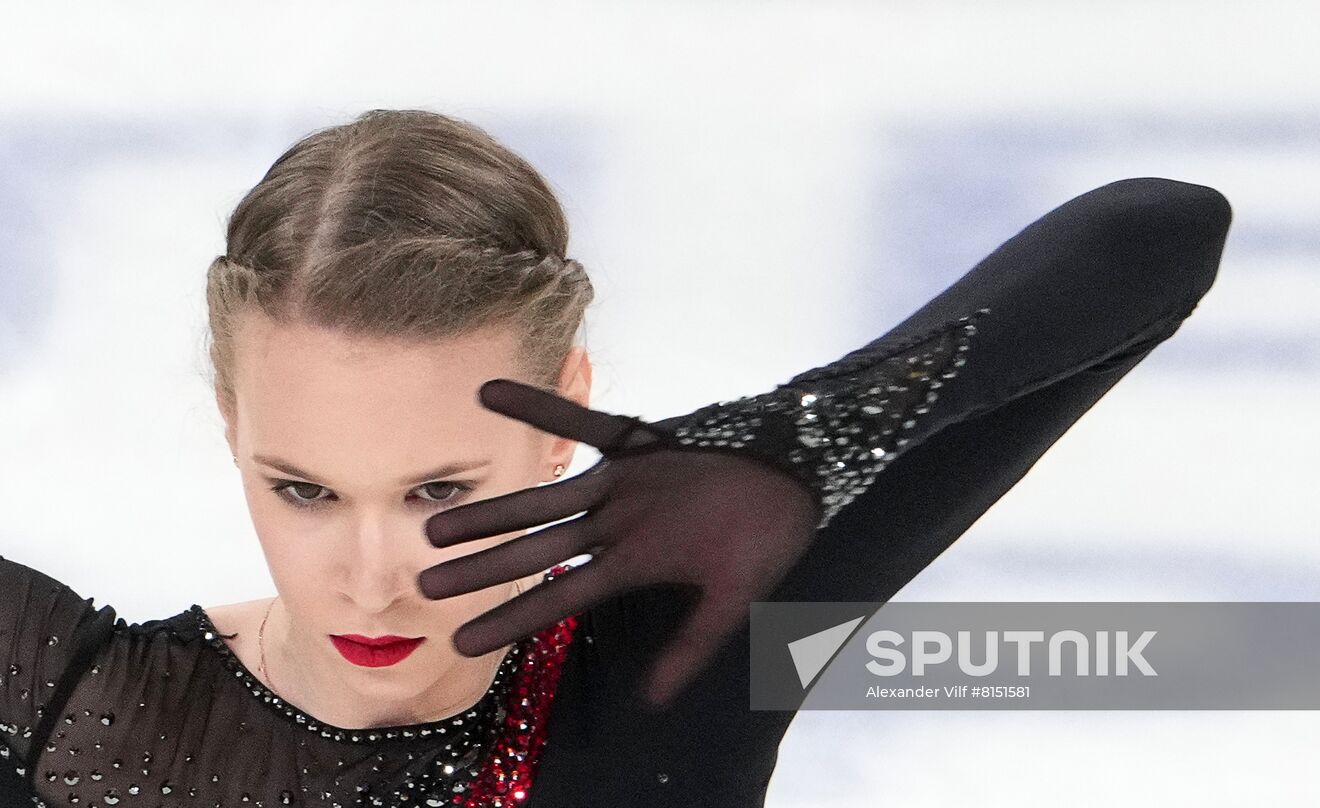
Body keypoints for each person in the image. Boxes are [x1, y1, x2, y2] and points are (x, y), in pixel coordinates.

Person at [0, 108, 1232, 807]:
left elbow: (1153, 234)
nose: (369, 578)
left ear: (559, 415)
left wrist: (791, 443)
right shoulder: (81, 712)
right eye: (304, 489)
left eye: (441, 490)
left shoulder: (680, 643)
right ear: (231, 426)